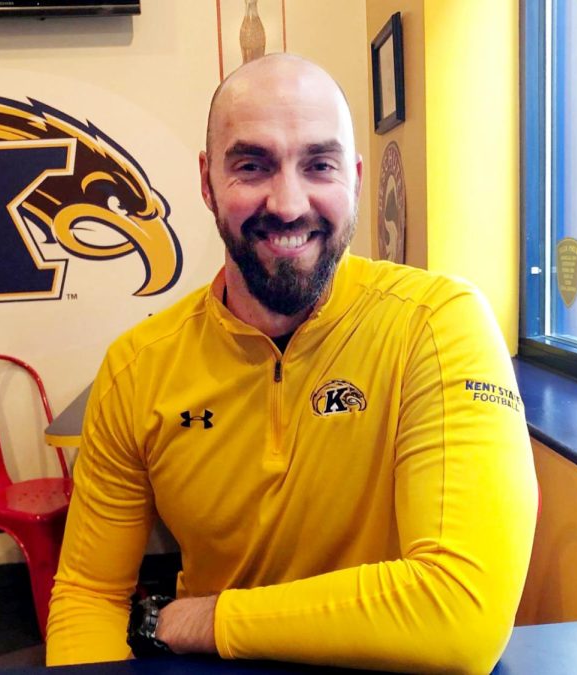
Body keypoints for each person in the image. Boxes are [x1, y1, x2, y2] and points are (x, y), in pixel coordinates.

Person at [47, 53, 538, 673]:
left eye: (319, 165)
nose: (287, 203)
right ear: (206, 182)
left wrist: (206, 617)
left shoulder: (437, 324)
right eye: (252, 165)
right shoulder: (137, 367)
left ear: (355, 178)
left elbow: (460, 610)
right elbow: (89, 594)